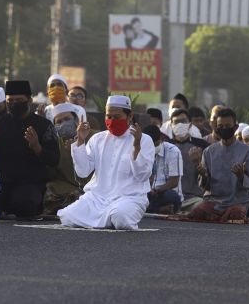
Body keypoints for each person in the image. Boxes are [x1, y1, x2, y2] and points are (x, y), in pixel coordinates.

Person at [58, 95, 155, 230]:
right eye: (109, 116)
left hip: (129, 198)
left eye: (117, 117)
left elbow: (142, 175)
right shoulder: (97, 139)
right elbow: (83, 171)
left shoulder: (144, 140)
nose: (112, 120)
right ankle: (105, 219)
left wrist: (136, 146)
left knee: (121, 218)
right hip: (97, 198)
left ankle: (108, 218)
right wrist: (80, 141)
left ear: (129, 116)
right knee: (67, 216)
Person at [0, 80, 60, 220]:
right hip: (2, 183)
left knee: (24, 204)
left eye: (19, 100)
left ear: (30, 100)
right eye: (10, 100)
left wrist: (37, 147)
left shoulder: (43, 125)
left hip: (30, 183)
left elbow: (54, 159)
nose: (14, 103)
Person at [187, 108, 249, 223]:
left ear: (235, 127)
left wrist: (241, 176)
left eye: (227, 126)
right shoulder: (209, 151)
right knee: (196, 213)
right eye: (221, 126)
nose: (224, 129)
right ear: (216, 128)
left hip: (237, 202)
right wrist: (204, 175)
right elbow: (205, 187)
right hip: (213, 202)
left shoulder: (247, 151)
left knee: (236, 215)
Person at [41, 103, 96, 216]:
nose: (64, 123)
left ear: (76, 120)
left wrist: (76, 150)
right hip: (66, 185)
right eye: (59, 122)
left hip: (91, 185)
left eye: (67, 119)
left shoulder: (94, 137)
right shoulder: (55, 143)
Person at [169, 109, 209, 212]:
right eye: (176, 122)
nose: (180, 124)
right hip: (172, 198)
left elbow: (209, 176)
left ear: (190, 124)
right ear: (171, 125)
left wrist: (198, 163)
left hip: (195, 198)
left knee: (204, 207)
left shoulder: (202, 145)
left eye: (183, 121)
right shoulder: (166, 146)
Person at [143, 125, 183, 214]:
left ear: (161, 138)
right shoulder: (141, 150)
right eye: (150, 145)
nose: (153, 147)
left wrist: (157, 190)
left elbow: (174, 182)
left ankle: (148, 209)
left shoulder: (173, 151)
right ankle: (158, 210)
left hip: (163, 193)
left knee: (172, 196)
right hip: (147, 193)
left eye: (155, 144)